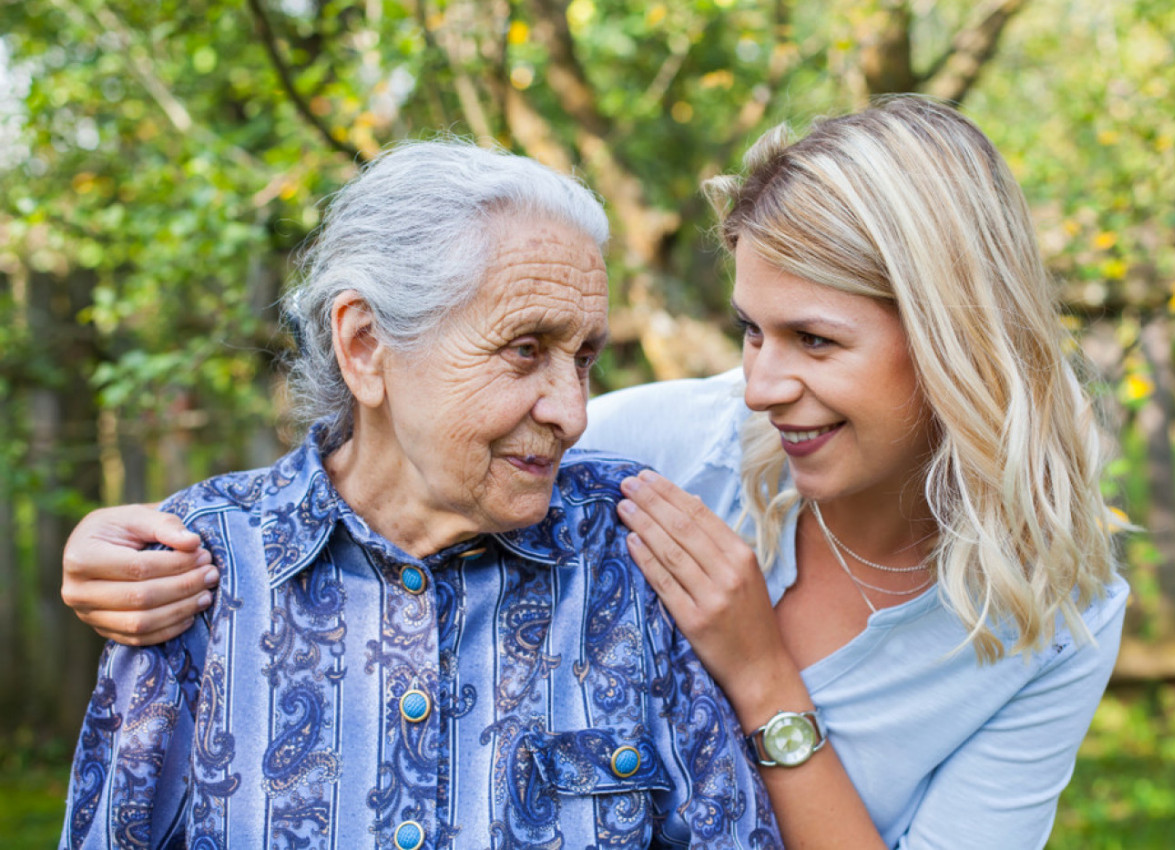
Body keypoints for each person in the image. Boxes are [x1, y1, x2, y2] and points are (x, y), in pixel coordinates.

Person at [62, 97, 1128, 849]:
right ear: (363, 342)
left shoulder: (1058, 617)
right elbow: (405, 461)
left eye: (814, 339)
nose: (761, 387)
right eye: (751, 331)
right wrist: (127, 541)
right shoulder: (665, 449)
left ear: (952, 341)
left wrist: (762, 678)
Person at [59, 140, 780, 850]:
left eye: (584, 358)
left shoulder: (630, 546)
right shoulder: (202, 569)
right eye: (524, 349)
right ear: (365, 346)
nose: (572, 412)